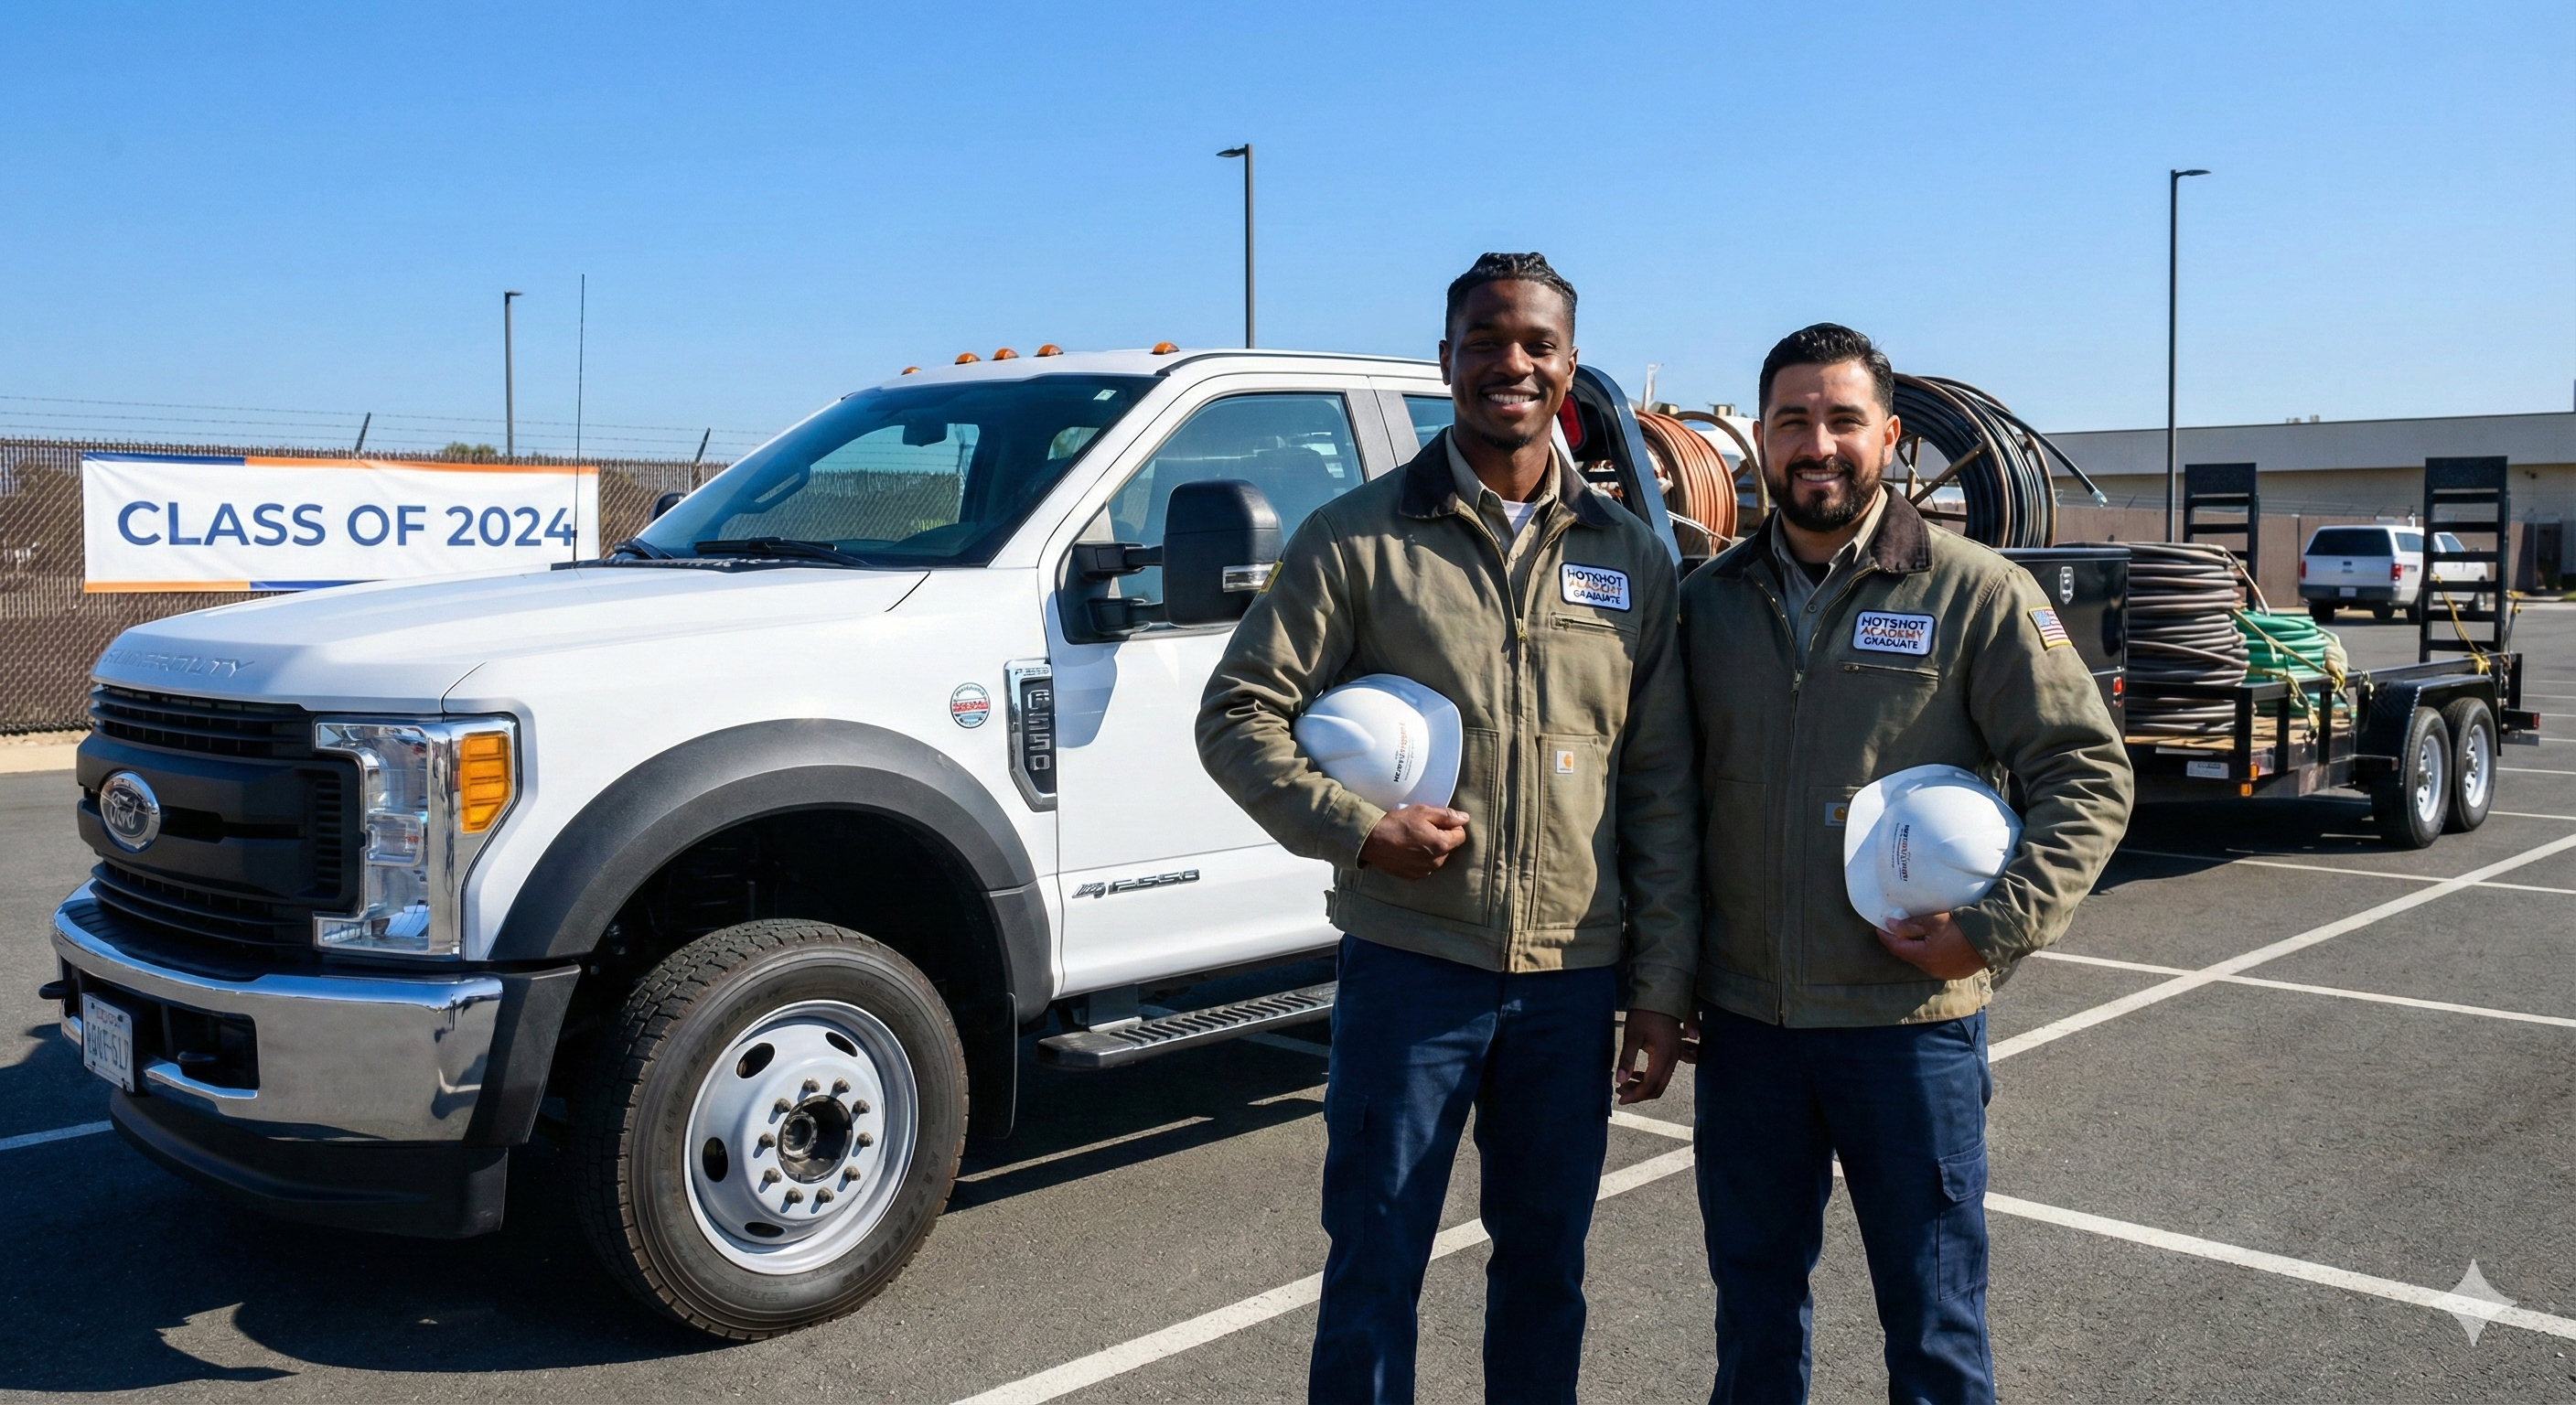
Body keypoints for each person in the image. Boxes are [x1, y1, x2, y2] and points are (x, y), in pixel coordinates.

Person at [1197, 252, 1698, 1404]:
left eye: (1533, 345)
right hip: (1413, 973)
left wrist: (1659, 990)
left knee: (1545, 1270)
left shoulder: (1627, 556)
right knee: (1373, 1263)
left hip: (1572, 982)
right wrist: (1357, 829)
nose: (1507, 364)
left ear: (1568, 368)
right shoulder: (1358, 538)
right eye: (1483, 342)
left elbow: (1661, 786)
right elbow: (1236, 717)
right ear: (1445, 362)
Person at [1677, 324, 2132, 1403]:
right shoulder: (1705, 607)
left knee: (1932, 1329)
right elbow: (1661, 802)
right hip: (1747, 1032)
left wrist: (1990, 929)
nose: (1816, 444)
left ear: (1888, 438)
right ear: (1757, 440)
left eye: (1841, 420)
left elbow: (2086, 774)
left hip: (1905, 1034)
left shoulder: (1973, 594)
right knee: (1750, 1320)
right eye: (1791, 420)